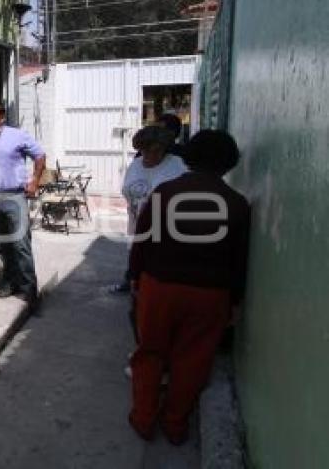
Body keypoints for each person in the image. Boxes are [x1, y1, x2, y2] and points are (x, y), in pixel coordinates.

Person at [127, 130, 250, 445]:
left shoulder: (164, 194)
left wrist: (134, 278)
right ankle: (175, 424)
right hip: (209, 296)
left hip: (159, 288)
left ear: (190, 157)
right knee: (193, 359)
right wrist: (235, 301)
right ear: (228, 162)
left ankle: (143, 418)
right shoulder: (237, 204)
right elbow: (239, 260)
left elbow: (141, 241)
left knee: (150, 352)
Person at [110, 126, 187, 293]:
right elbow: (128, 189)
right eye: (145, 150)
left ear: (164, 149)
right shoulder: (136, 164)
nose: (150, 155)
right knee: (137, 256)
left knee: (155, 266)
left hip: (165, 227)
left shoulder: (177, 166)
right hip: (137, 220)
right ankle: (132, 282)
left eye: (156, 151)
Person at [0, 101, 46, 304]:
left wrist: (35, 180)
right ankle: (10, 283)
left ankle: (29, 290)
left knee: (20, 244)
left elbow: (40, 155)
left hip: (14, 198)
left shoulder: (17, 135)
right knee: (2, 245)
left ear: (1, 118)